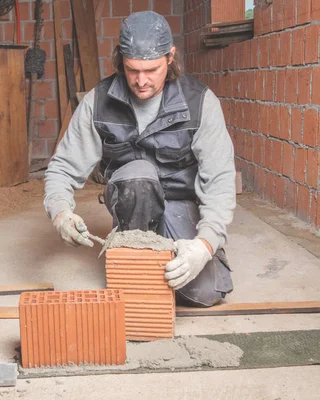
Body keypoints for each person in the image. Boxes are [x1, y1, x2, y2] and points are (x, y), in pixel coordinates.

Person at [43, 10, 236, 308]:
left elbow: (220, 180)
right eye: (132, 70)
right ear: (120, 60)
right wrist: (61, 213)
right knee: (139, 174)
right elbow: (63, 167)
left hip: (179, 201)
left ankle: (176, 249)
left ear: (170, 57)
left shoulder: (200, 103)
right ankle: (132, 260)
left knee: (202, 293)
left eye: (152, 70)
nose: (141, 81)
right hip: (131, 196)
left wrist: (205, 244)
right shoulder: (98, 102)